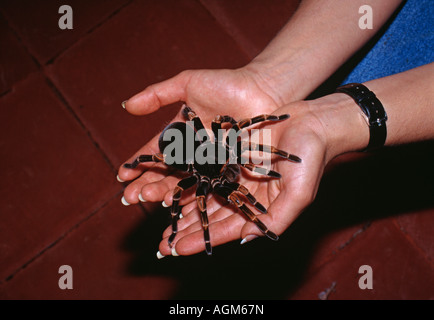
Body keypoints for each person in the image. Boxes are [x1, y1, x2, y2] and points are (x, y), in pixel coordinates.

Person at [117, 0, 434, 258]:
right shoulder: (215, 167)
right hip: (184, 148)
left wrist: (316, 128)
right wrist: (267, 81)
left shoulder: (229, 153)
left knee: (364, 71)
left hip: (194, 147)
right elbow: (223, 144)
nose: (235, 172)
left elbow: (235, 128)